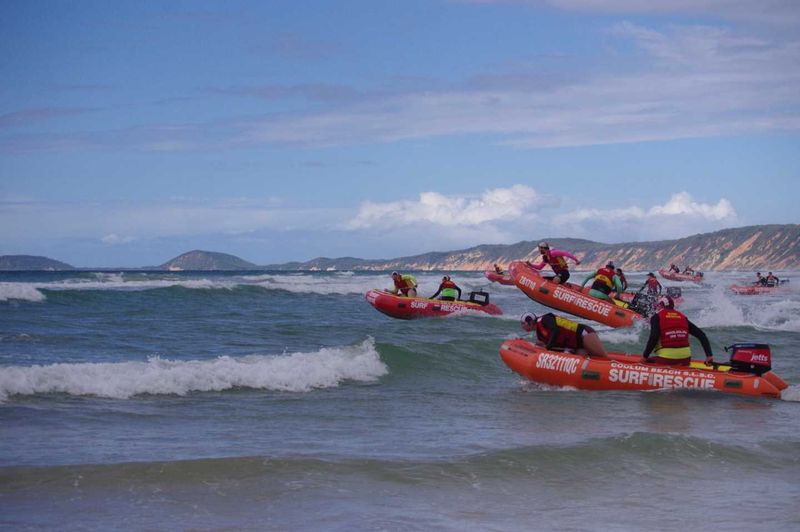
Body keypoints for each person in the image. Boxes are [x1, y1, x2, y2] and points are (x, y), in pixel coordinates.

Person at [641, 296, 713, 366]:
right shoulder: (683, 317)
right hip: (686, 359)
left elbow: (654, 337)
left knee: (646, 361)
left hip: (667, 359)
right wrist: (709, 356)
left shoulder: (656, 317)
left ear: (661, 305)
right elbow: (701, 335)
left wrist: (645, 356)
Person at [520, 312, 607, 358]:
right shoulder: (540, 333)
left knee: (601, 355)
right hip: (574, 345)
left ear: (530, 322)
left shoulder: (545, 319)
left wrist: (548, 347)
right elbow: (551, 344)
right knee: (586, 358)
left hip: (582, 333)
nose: (522, 326)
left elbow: (555, 330)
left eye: (523, 324)